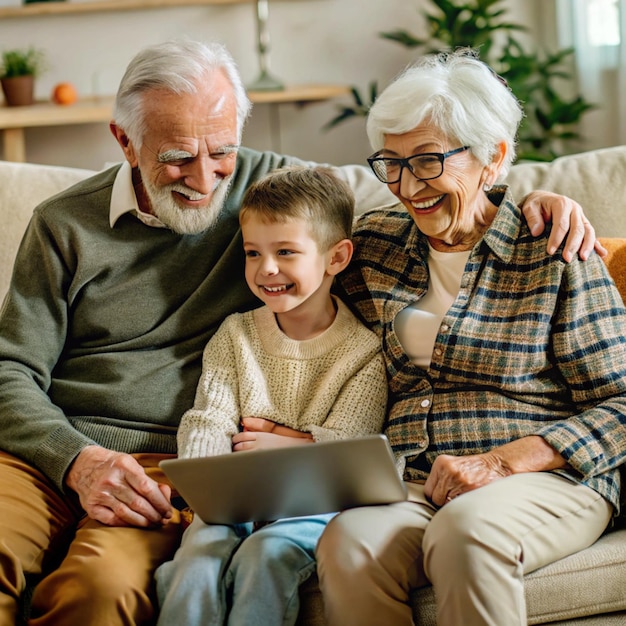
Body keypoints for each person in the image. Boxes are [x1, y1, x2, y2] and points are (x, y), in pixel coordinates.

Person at [0, 38, 603, 626]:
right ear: (125, 142)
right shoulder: (64, 224)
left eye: (222, 152)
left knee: (100, 591)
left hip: (174, 465)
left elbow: (398, 201)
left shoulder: (275, 193)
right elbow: (9, 369)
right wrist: (75, 460)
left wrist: (539, 199)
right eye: (178, 156)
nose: (206, 179)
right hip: (55, 444)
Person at [313, 49, 626, 626]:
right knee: (349, 543)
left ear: (494, 157)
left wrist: (502, 465)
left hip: (545, 476)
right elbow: (291, 279)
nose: (408, 186)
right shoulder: (372, 246)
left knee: (466, 532)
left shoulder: (554, 247)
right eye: (392, 162)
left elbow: (622, 403)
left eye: (429, 161)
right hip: (413, 478)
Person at [154, 165, 388, 626]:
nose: (267, 270)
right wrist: (209, 484)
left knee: (266, 554)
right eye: (253, 253)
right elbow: (210, 419)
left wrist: (280, 446)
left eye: (285, 252)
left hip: (312, 507)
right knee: (198, 557)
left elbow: (348, 453)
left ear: (336, 258)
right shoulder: (236, 334)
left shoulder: (363, 352)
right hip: (232, 496)